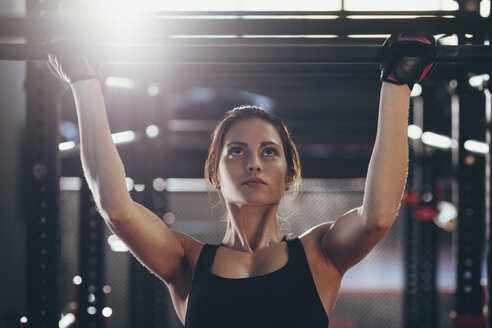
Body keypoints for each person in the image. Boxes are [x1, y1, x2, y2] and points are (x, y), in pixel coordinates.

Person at [47, 34, 436, 328]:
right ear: (215, 174)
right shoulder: (187, 261)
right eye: (237, 151)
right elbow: (117, 208)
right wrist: (84, 82)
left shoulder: (320, 254)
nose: (254, 163)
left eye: (269, 152)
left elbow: (378, 217)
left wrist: (396, 84)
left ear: (289, 174)